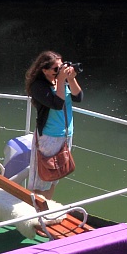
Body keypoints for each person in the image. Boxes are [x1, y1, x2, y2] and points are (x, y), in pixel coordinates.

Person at [24, 50, 83, 198]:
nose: (59, 71)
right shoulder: (38, 86)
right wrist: (62, 80)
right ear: (44, 70)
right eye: (56, 69)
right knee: (43, 177)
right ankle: (36, 212)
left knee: (54, 177)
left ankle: (46, 208)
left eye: (61, 66)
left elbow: (79, 97)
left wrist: (71, 78)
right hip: (49, 137)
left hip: (65, 135)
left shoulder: (61, 81)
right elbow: (57, 104)